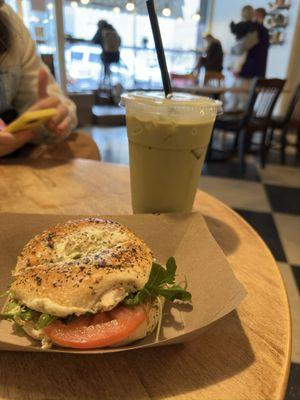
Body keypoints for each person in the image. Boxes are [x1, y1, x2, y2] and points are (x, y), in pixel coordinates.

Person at [0, 1, 99, 160]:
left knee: (82, 146)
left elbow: (53, 103)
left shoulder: (10, 24)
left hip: (13, 149)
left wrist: (52, 117)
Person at [227, 6, 270, 111]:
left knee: (240, 101)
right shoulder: (265, 32)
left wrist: (232, 51)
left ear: (257, 15)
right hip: (259, 72)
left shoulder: (256, 31)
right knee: (246, 101)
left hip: (247, 71)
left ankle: (236, 125)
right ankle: (241, 124)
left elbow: (241, 48)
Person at [230, 5, 259, 76]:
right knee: (241, 59)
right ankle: (236, 70)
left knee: (236, 60)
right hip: (245, 46)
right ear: (252, 14)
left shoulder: (240, 24)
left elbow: (233, 29)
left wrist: (232, 23)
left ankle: (235, 71)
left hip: (238, 44)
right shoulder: (253, 25)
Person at [92, 20, 121, 85]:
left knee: (105, 65)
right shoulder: (113, 29)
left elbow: (94, 40)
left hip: (106, 55)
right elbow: (119, 40)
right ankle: (110, 84)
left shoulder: (101, 30)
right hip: (116, 55)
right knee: (107, 66)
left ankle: (105, 84)